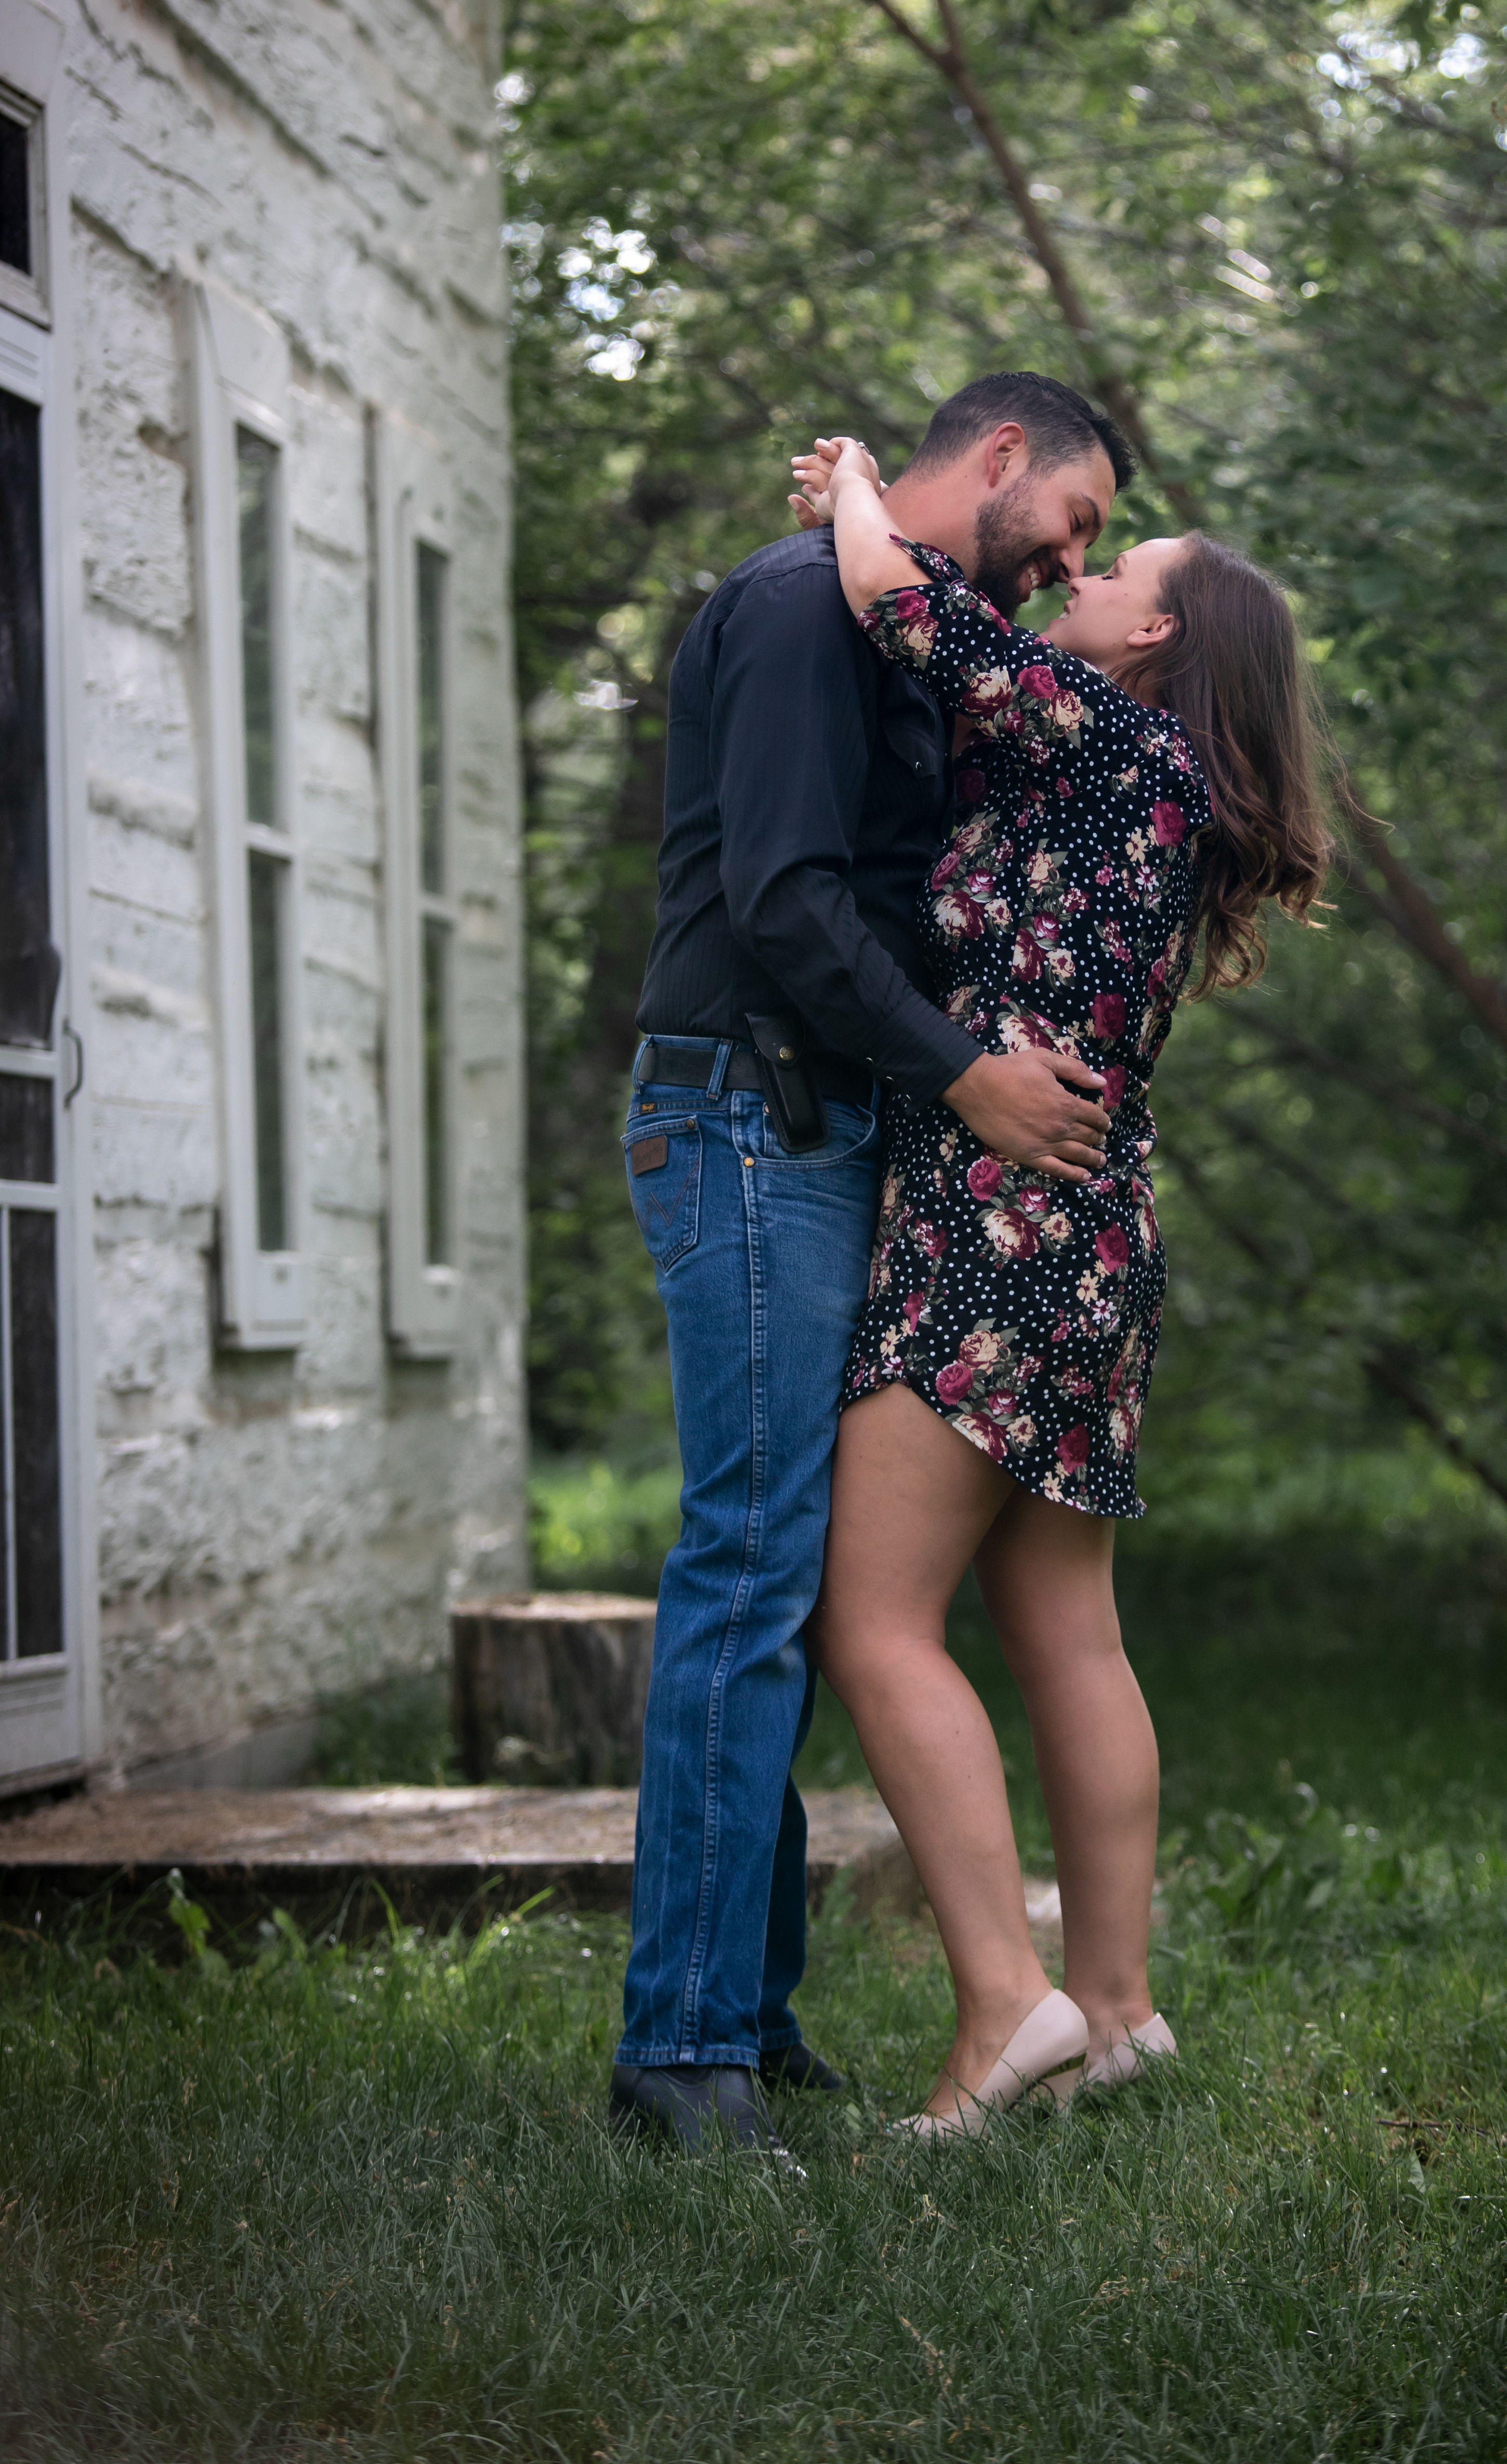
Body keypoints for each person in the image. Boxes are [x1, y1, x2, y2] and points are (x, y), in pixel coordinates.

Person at [610, 375, 1139, 2160]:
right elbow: (780, 901)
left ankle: (744, 2027)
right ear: (1001, 457)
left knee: (778, 1581)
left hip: (821, 1135)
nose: (1072, 556)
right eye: (1071, 518)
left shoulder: (903, 631)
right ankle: (682, 2056)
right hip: (746, 1116)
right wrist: (965, 1070)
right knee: (750, 1565)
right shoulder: (790, 608)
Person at [792, 433, 1333, 2135]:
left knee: (870, 1620)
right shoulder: (1149, 784)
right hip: (1099, 1229)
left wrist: (859, 478)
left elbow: (893, 596)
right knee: (1063, 1627)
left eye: (1115, 571)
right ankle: (1115, 2012)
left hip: (992, 1215)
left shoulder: (1101, 735)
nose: (1081, 581)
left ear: (1156, 638)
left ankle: (1001, 2016)